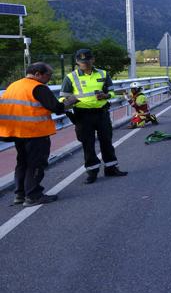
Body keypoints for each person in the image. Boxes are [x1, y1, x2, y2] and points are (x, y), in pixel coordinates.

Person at [0, 63, 78, 206]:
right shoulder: (38, 88)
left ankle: (20, 194)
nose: (50, 78)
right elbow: (57, 108)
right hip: (35, 132)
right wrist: (70, 101)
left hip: (16, 132)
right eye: (48, 75)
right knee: (35, 163)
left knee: (22, 162)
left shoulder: (14, 86)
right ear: (37, 74)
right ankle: (33, 195)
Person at [60, 48, 127, 184]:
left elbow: (112, 92)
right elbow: (63, 98)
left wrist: (106, 95)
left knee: (107, 141)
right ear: (77, 62)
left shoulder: (103, 73)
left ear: (93, 60)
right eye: (82, 62)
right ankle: (92, 172)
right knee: (87, 144)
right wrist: (66, 104)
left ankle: (111, 168)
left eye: (88, 61)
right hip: (82, 115)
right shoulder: (70, 77)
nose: (85, 64)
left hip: (101, 113)